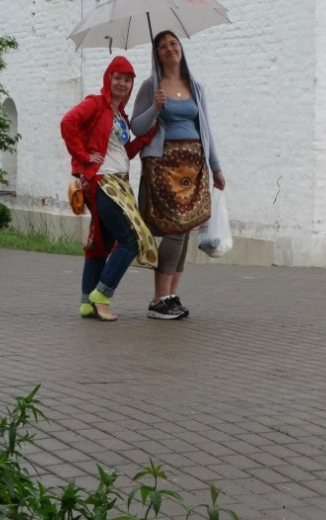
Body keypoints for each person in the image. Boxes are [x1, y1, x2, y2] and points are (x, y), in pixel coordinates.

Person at [131, 30, 226, 321]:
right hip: (163, 164)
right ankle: (159, 299)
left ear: (181, 49)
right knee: (174, 228)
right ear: (156, 54)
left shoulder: (195, 86)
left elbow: (205, 128)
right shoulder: (151, 87)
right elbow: (136, 126)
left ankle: (171, 295)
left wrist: (216, 167)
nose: (170, 49)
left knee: (186, 228)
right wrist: (156, 108)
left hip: (193, 167)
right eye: (162, 46)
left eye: (174, 44)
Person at [61, 55, 159, 321]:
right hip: (103, 182)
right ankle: (101, 295)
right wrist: (83, 156)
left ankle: (86, 301)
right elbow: (67, 123)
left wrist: (147, 135)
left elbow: (123, 151)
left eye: (128, 80)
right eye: (118, 78)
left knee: (100, 244)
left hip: (118, 182)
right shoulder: (95, 104)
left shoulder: (120, 116)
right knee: (131, 240)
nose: (122, 84)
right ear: (108, 78)